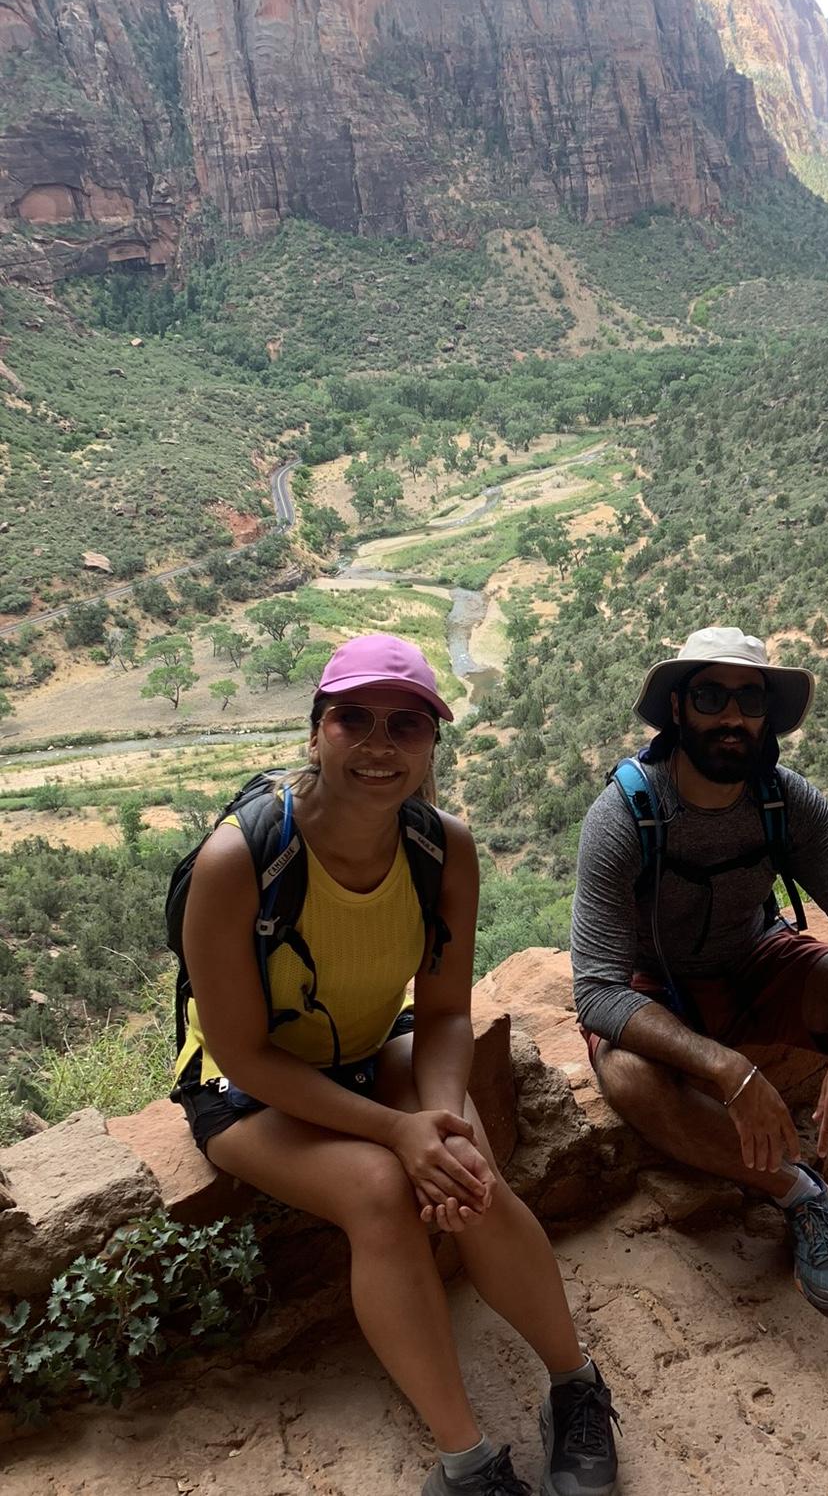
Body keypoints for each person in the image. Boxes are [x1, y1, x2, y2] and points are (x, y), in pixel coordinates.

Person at [171, 633, 620, 1496]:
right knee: (380, 1190)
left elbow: (446, 1009)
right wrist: (395, 1133)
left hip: (378, 1045)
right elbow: (242, 1054)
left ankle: (576, 1385)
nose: (380, 745)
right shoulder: (239, 861)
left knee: (469, 1164)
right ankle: (469, 1465)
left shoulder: (442, 848)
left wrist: (438, 1122)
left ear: (431, 747)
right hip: (248, 1089)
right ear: (317, 733)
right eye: (355, 720)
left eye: (406, 726)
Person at [571, 626, 828, 1349]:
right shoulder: (625, 816)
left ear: (767, 714)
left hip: (756, 964)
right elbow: (597, 992)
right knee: (626, 1074)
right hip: (655, 989)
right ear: (679, 711)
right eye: (711, 696)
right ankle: (797, 1190)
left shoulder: (786, 802)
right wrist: (729, 1069)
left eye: (748, 697)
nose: (731, 716)